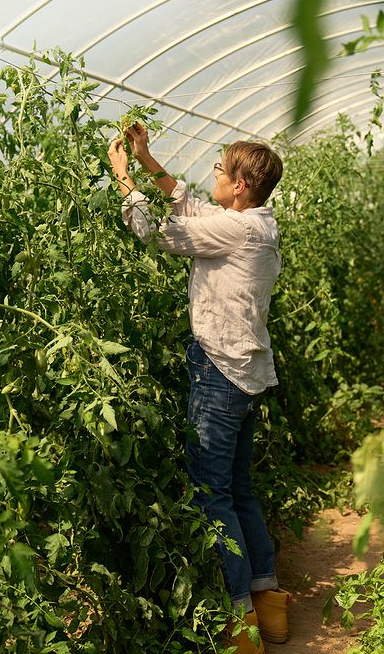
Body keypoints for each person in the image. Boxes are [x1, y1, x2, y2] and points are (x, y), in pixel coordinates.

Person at [108, 124, 290, 653]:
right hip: (247, 372)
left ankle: (241, 627)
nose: (211, 172)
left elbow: (159, 234)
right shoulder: (255, 222)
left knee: (213, 497)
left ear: (239, 186)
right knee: (240, 490)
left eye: (219, 168)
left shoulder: (238, 231)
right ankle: (269, 607)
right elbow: (191, 208)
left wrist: (123, 180)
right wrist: (147, 160)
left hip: (221, 372)